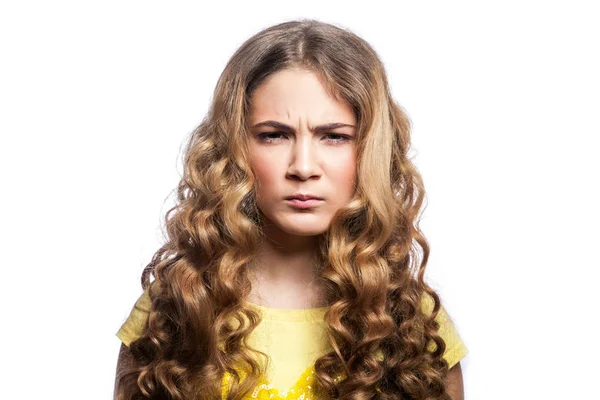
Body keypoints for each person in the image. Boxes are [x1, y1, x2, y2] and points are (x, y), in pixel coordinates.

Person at [114, 19, 468, 400]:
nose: (302, 167)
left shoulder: (411, 320)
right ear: (234, 148)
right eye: (274, 135)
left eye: (334, 136)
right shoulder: (176, 307)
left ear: (370, 149)